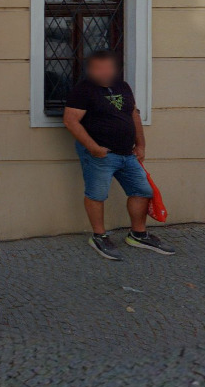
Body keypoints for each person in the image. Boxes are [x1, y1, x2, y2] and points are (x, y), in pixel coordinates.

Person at [62, 50, 175, 261]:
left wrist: (141, 145)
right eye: (99, 68)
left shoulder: (123, 86)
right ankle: (99, 236)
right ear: (90, 69)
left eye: (108, 67)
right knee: (97, 194)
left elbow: (133, 114)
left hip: (127, 154)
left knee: (142, 190)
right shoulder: (83, 90)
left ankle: (138, 235)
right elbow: (70, 121)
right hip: (100, 155)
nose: (104, 71)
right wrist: (93, 147)